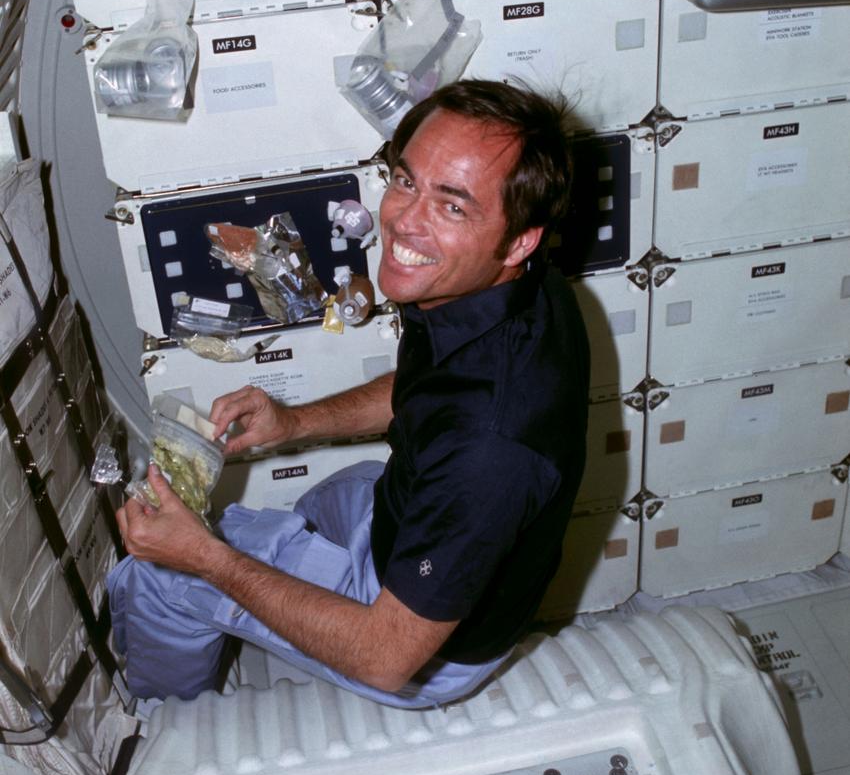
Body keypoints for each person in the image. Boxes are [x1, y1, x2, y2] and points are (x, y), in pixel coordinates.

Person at [108, 79, 590, 707]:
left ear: (519, 240)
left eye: (452, 206)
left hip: (418, 653)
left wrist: (206, 559)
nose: (402, 222)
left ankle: (161, 730)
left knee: (157, 574)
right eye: (407, 180)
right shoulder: (521, 289)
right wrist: (294, 422)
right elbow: (429, 393)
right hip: (402, 517)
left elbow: (385, 658)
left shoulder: (488, 453)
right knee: (319, 505)